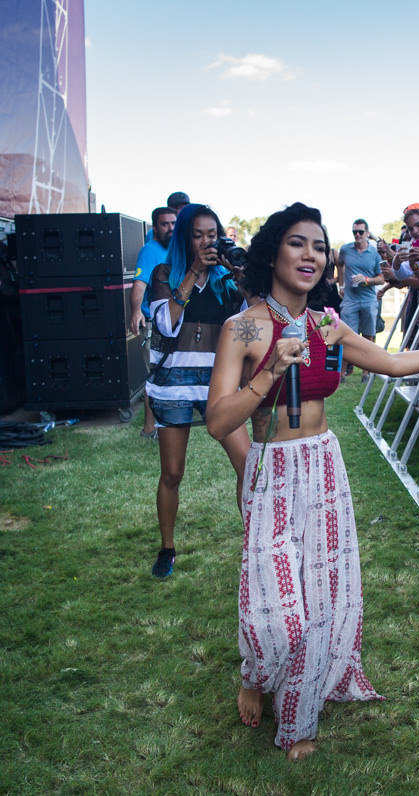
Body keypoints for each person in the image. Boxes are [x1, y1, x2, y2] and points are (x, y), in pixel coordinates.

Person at [204, 202, 419, 760]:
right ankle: (257, 671)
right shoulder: (244, 326)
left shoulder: (328, 322)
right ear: (273, 252)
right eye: (298, 243)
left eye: (320, 247)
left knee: (321, 599)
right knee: (276, 611)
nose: (311, 255)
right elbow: (218, 421)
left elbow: (391, 364)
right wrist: (272, 369)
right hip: (271, 468)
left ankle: (298, 722)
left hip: (323, 465)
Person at [145, 204, 250, 578]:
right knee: (172, 473)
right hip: (173, 387)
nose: (207, 241)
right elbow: (165, 324)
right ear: (184, 238)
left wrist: (242, 277)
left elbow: (252, 319)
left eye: (212, 234)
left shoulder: (226, 281)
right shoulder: (164, 274)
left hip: (216, 386)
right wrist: (193, 272)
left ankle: (254, 546)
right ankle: (167, 548)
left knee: (247, 465)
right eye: (198, 234)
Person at [131, 206, 176, 440]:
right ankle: (149, 430)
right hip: (152, 323)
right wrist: (136, 311)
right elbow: (139, 283)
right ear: (155, 227)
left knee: (165, 375)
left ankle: (159, 426)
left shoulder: (176, 250)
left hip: (172, 323)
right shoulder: (149, 251)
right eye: (165, 224)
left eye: (173, 224)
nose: (170, 228)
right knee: (155, 376)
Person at [338, 218, 384, 378]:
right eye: (354, 232)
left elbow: (382, 278)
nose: (357, 235)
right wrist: (341, 285)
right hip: (349, 300)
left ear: (367, 233)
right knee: (345, 337)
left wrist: (367, 280)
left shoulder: (375, 253)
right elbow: (339, 264)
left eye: (360, 232)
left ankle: (366, 372)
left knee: (368, 336)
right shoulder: (345, 250)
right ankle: (342, 373)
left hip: (368, 300)